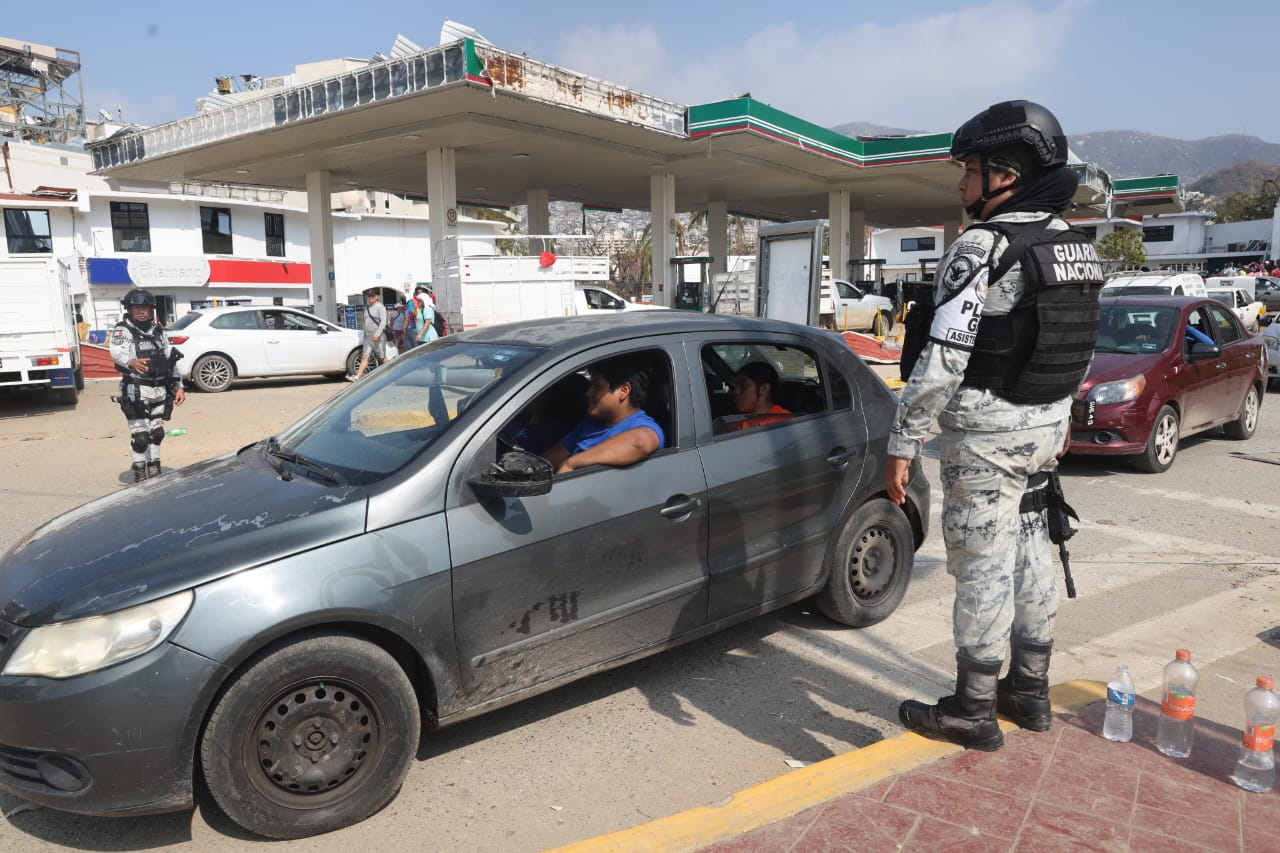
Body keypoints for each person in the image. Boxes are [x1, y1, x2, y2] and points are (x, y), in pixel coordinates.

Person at [886, 101, 1102, 752]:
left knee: (983, 565)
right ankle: (1030, 690)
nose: (960, 186)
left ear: (1004, 175)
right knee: (1034, 548)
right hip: (1045, 427)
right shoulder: (1073, 244)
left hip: (986, 435)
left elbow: (942, 361)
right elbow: (1081, 345)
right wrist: (1061, 417)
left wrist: (903, 440)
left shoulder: (981, 247)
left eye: (969, 171)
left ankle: (973, 707)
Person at [109, 288, 186, 482]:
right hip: (136, 389)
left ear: (151, 310)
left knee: (157, 433)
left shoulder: (159, 332)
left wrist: (179, 386)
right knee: (141, 436)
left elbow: (171, 359)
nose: (142, 311)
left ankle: (155, 469)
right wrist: (131, 362)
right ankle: (140, 472)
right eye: (137, 308)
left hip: (160, 389)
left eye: (145, 308)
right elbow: (116, 352)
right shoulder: (122, 330)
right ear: (129, 309)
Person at [542, 357, 664, 474]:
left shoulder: (643, 425)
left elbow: (639, 442)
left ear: (624, 390)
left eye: (597, 386)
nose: (588, 392)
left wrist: (572, 463)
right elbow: (549, 461)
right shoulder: (590, 424)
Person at [724, 361, 791, 432]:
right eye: (736, 385)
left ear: (764, 389)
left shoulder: (783, 421)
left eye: (744, 385)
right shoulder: (736, 417)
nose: (736, 391)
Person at [349, 290, 387, 380]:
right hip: (368, 336)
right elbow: (365, 321)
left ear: (376, 297)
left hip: (378, 336)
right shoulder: (366, 308)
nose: (370, 298)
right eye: (368, 297)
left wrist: (377, 334)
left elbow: (383, 322)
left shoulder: (380, 307)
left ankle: (394, 371)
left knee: (382, 358)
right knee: (364, 356)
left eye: (372, 297)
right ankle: (358, 376)